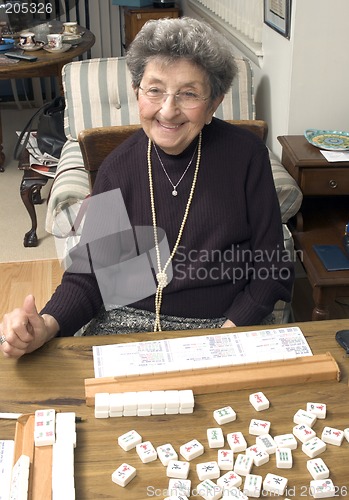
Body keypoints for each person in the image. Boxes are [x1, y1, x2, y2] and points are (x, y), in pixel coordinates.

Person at [0, 17, 294, 359]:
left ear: (214, 103)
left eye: (188, 94)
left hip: (221, 327)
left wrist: (226, 337)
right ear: (138, 92)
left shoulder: (246, 157)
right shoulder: (117, 168)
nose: (168, 111)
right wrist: (46, 325)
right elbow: (93, 276)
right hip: (127, 324)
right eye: (154, 90)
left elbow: (270, 267)